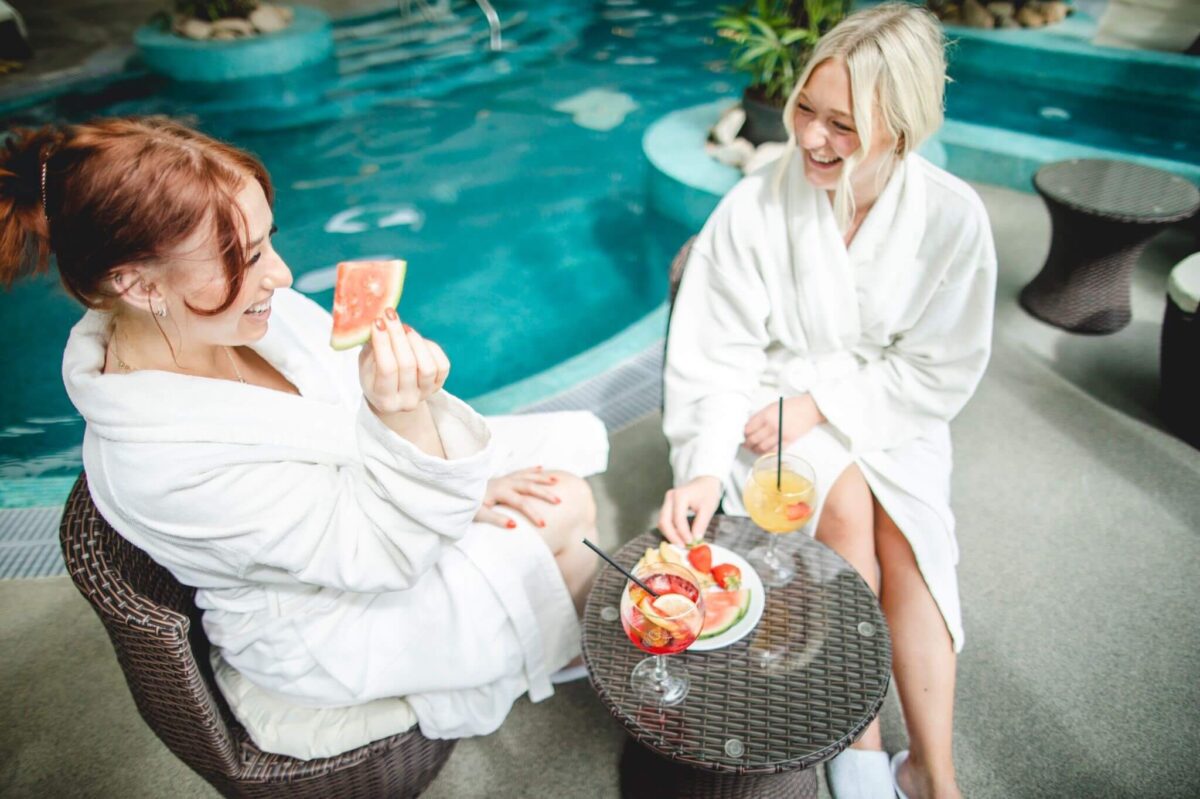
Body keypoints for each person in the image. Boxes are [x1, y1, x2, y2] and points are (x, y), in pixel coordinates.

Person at [0, 116, 608, 741]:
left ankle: (550, 632)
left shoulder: (247, 313)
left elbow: (345, 413)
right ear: (136, 283)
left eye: (268, 240)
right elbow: (380, 558)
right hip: (328, 618)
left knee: (563, 490)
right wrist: (405, 418)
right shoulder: (158, 467)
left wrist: (452, 475)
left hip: (381, 502)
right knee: (569, 508)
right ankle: (556, 651)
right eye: (244, 256)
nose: (283, 276)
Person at [659, 4, 995, 799]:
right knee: (845, 514)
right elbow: (715, 353)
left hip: (893, 400)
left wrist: (824, 402)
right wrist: (705, 467)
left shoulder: (954, 218)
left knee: (914, 542)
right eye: (805, 108)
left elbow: (941, 366)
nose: (810, 137)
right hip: (767, 395)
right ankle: (862, 740)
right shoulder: (754, 204)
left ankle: (934, 773)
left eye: (841, 124)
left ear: (901, 128)